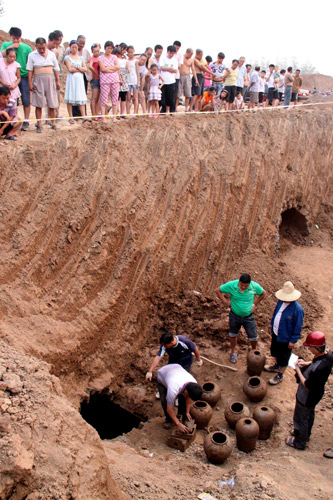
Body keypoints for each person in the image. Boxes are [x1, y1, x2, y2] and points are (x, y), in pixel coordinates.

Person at [286, 331, 333, 450]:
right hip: (316, 394)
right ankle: (306, 435)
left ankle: (299, 442)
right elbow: (316, 361)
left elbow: (307, 385)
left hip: (306, 396)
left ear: (317, 348)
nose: (309, 350)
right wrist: (306, 363)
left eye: (310, 347)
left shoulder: (318, 369)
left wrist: (298, 370)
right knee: (309, 414)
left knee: (300, 418)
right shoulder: (328, 355)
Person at [216, 273, 267, 363]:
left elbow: (263, 294)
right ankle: (233, 351)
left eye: (246, 286)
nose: (243, 287)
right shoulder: (232, 285)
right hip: (234, 316)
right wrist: (226, 302)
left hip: (248, 317)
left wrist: (255, 304)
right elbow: (218, 290)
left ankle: (253, 351)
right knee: (233, 334)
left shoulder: (254, 287)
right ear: (239, 282)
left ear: (250, 284)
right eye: (241, 285)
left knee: (253, 337)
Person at [264, 281, 304, 385]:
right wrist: (271, 324)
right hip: (276, 333)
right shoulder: (280, 302)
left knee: (284, 356)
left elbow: (298, 326)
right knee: (275, 351)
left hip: (286, 338)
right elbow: (275, 313)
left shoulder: (297, 310)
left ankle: (280, 375)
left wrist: (293, 340)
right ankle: (276, 366)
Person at [1, 27, 32, 131]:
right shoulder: (6, 45)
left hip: (23, 76)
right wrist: (12, 46)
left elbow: (31, 60)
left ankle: (26, 121)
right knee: (13, 101)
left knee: (26, 100)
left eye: (18, 38)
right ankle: (13, 121)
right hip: (9, 79)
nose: (16, 40)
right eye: (14, 38)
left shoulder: (26, 47)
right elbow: (1, 55)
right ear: (10, 37)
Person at [27, 37, 60, 133]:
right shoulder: (32, 55)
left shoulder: (51, 54)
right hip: (38, 79)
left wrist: (57, 81)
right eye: (39, 48)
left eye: (43, 48)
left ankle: (53, 123)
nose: (41, 50)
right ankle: (39, 124)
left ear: (46, 45)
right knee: (39, 102)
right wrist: (30, 83)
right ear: (36, 46)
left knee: (52, 102)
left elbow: (56, 69)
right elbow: (30, 70)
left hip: (50, 79)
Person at [156, 363, 203, 431]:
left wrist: (187, 412)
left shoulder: (194, 384)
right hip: (163, 374)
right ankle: (169, 420)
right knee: (165, 401)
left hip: (176, 369)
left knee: (183, 399)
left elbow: (188, 398)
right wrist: (178, 424)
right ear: (186, 391)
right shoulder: (173, 389)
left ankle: (181, 416)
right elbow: (169, 409)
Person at [64, 40, 87, 124]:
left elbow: (85, 69)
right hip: (71, 80)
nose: (74, 49)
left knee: (80, 97)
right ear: (70, 47)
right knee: (70, 97)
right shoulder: (67, 58)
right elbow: (70, 69)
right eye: (73, 47)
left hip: (80, 81)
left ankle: (83, 116)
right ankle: (71, 117)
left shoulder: (81, 58)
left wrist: (76, 67)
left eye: (76, 47)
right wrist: (79, 68)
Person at [98, 41, 119, 123]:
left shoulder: (114, 57)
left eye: (111, 48)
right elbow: (102, 69)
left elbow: (117, 67)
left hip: (114, 80)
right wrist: (112, 68)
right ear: (105, 48)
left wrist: (108, 68)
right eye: (108, 48)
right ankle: (103, 117)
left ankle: (114, 116)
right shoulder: (101, 58)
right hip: (105, 81)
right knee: (104, 99)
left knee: (115, 99)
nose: (109, 50)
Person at [160, 45, 178, 114]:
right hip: (163, 81)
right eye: (170, 53)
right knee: (163, 97)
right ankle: (163, 110)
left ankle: (172, 110)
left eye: (173, 53)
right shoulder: (163, 58)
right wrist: (170, 69)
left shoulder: (174, 60)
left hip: (171, 81)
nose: (171, 55)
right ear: (168, 51)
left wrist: (167, 68)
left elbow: (175, 70)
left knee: (171, 97)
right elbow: (162, 67)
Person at [115, 47, 129, 118]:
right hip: (118, 77)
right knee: (117, 96)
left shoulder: (125, 59)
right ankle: (116, 112)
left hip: (124, 78)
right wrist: (119, 78)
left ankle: (123, 112)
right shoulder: (115, 59)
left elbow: (128, 66)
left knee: (123, 96)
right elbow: (117, 69)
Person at [88, 43, 101, 119]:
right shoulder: (92, 59)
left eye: (98, 51)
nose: (97, 53)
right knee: (94, 97)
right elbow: (90, 66)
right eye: (95, 51)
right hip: (95, 79)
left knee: (98, 98)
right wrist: (95, 73)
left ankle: (96, 113)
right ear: (92, 52)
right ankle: (93, 115)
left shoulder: (100, 58)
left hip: (100, 79)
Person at [126, 46, 140, 115]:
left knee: (135, 97)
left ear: (134, 52)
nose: (130, 54)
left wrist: (138, 81)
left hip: (134, 80)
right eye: (129, 52)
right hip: (128, 81)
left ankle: (135, 112)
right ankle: (128, 112)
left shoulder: (136, 61)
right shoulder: (126, 61)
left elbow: (137, 72)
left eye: (131, 52)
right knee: (128, 98)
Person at [173, 41, 182, 109]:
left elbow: (179, 65)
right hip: (167, 77)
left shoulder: (179, 55)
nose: (176, 49)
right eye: (175, 47)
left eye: (177, 48)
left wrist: (171, 67)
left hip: (176, 76)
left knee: (175, 93)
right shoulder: (168, 54)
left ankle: (173, 108)